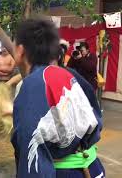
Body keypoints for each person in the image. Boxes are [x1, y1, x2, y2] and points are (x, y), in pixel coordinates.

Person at [9, 18, 104, 177]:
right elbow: (94, 115)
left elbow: (31, 148)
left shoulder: (32, 85)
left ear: (20, 50)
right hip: (93, 168)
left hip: (65, 172)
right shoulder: (71, 74)